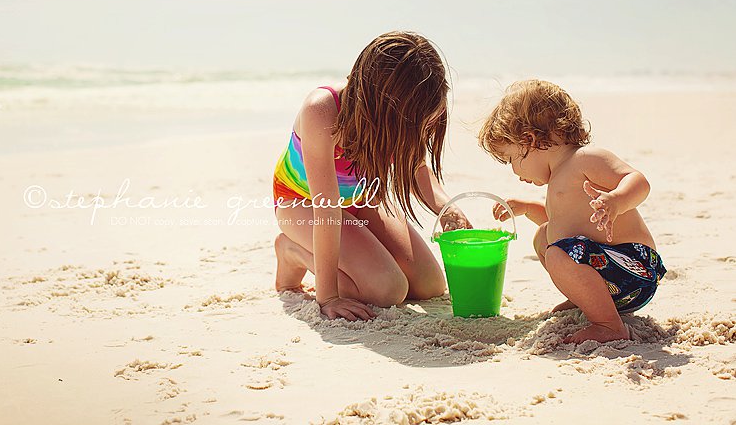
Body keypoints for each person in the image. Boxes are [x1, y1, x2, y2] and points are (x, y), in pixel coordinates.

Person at [272, 31, 470, 322]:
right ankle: (291, 251)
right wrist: (328, 297)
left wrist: (447, 208)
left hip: (360, 198)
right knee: (387, 290)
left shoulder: (398, 120)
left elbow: (418, 168)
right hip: (303, 204)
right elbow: (326, 211)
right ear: (386, 106)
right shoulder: (323, 111)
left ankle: (345, 253)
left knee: (429, 285)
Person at [479, 79, 666, 343]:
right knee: (545, 237)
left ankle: (610, 325)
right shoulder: (557, 180)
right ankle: (587, 298)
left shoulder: (585, 159)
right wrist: (525, 208)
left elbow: (638, 181)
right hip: (609, 274)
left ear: (528, 141)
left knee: (557, 253)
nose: (514, 172)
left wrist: (616, 200)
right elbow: (560, 227)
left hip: (634, 269)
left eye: (511, 159)